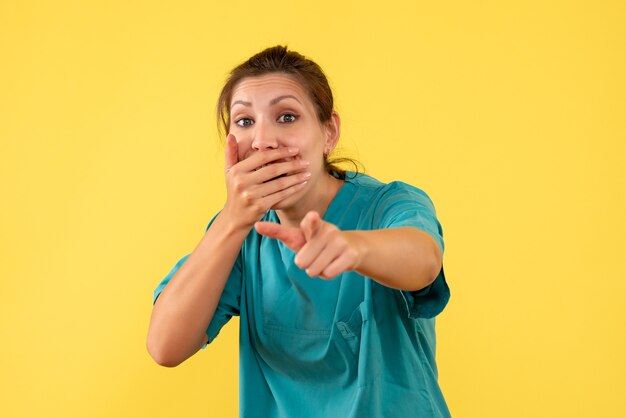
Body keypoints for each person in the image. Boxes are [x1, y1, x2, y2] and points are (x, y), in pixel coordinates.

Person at [147, 45, 451, 417]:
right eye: (244, 121)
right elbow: (165, 346)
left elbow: (424, 261)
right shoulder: (238, 235)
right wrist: (232, 220)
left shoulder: (389, 205)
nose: (263, 141)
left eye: (287, 117)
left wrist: (352, 247)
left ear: (329, 132)